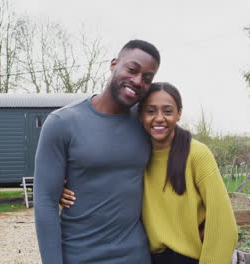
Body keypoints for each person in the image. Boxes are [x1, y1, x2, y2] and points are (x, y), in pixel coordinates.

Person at [62, 82, 238, 264]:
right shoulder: (135, 156)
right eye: (151, 111)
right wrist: (68, 191)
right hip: (146, 258)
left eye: (168, 111)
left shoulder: (197, 154)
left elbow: (223, 225)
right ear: (140, 115)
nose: (159, 118)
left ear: (179, 114)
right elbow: (104, 192)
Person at [34, 39, 160, 264]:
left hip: (136, 256)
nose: (138, 80)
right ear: (114, 64)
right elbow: (45, 202)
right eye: (132, 70)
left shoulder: (145, 124)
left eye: (147, 78)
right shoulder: (62, 123)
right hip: (80, 256)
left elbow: (180, 156)